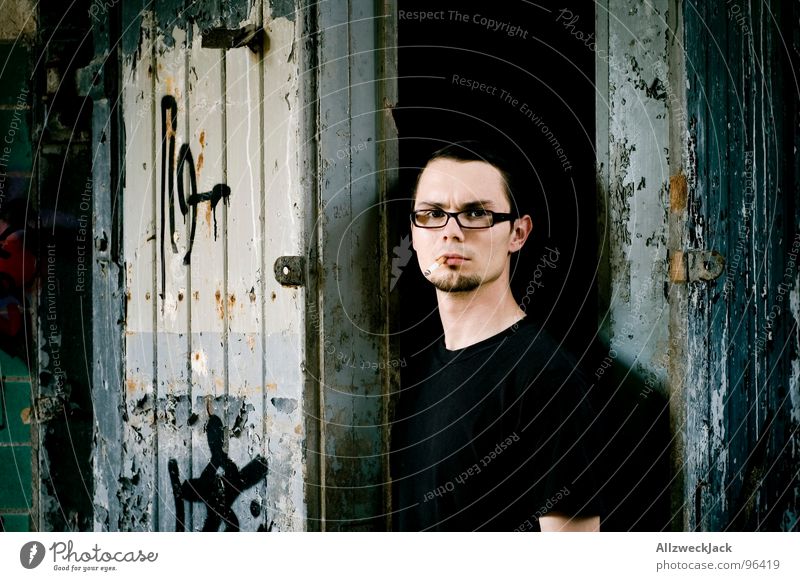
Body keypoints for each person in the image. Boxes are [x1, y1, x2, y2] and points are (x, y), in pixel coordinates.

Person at [390, 141, 603, 531]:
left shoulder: (546, 379)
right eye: (433, 214)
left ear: (517, 233)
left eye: (476, 213)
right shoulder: (414, 375)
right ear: (414, 233)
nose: (451, 233)